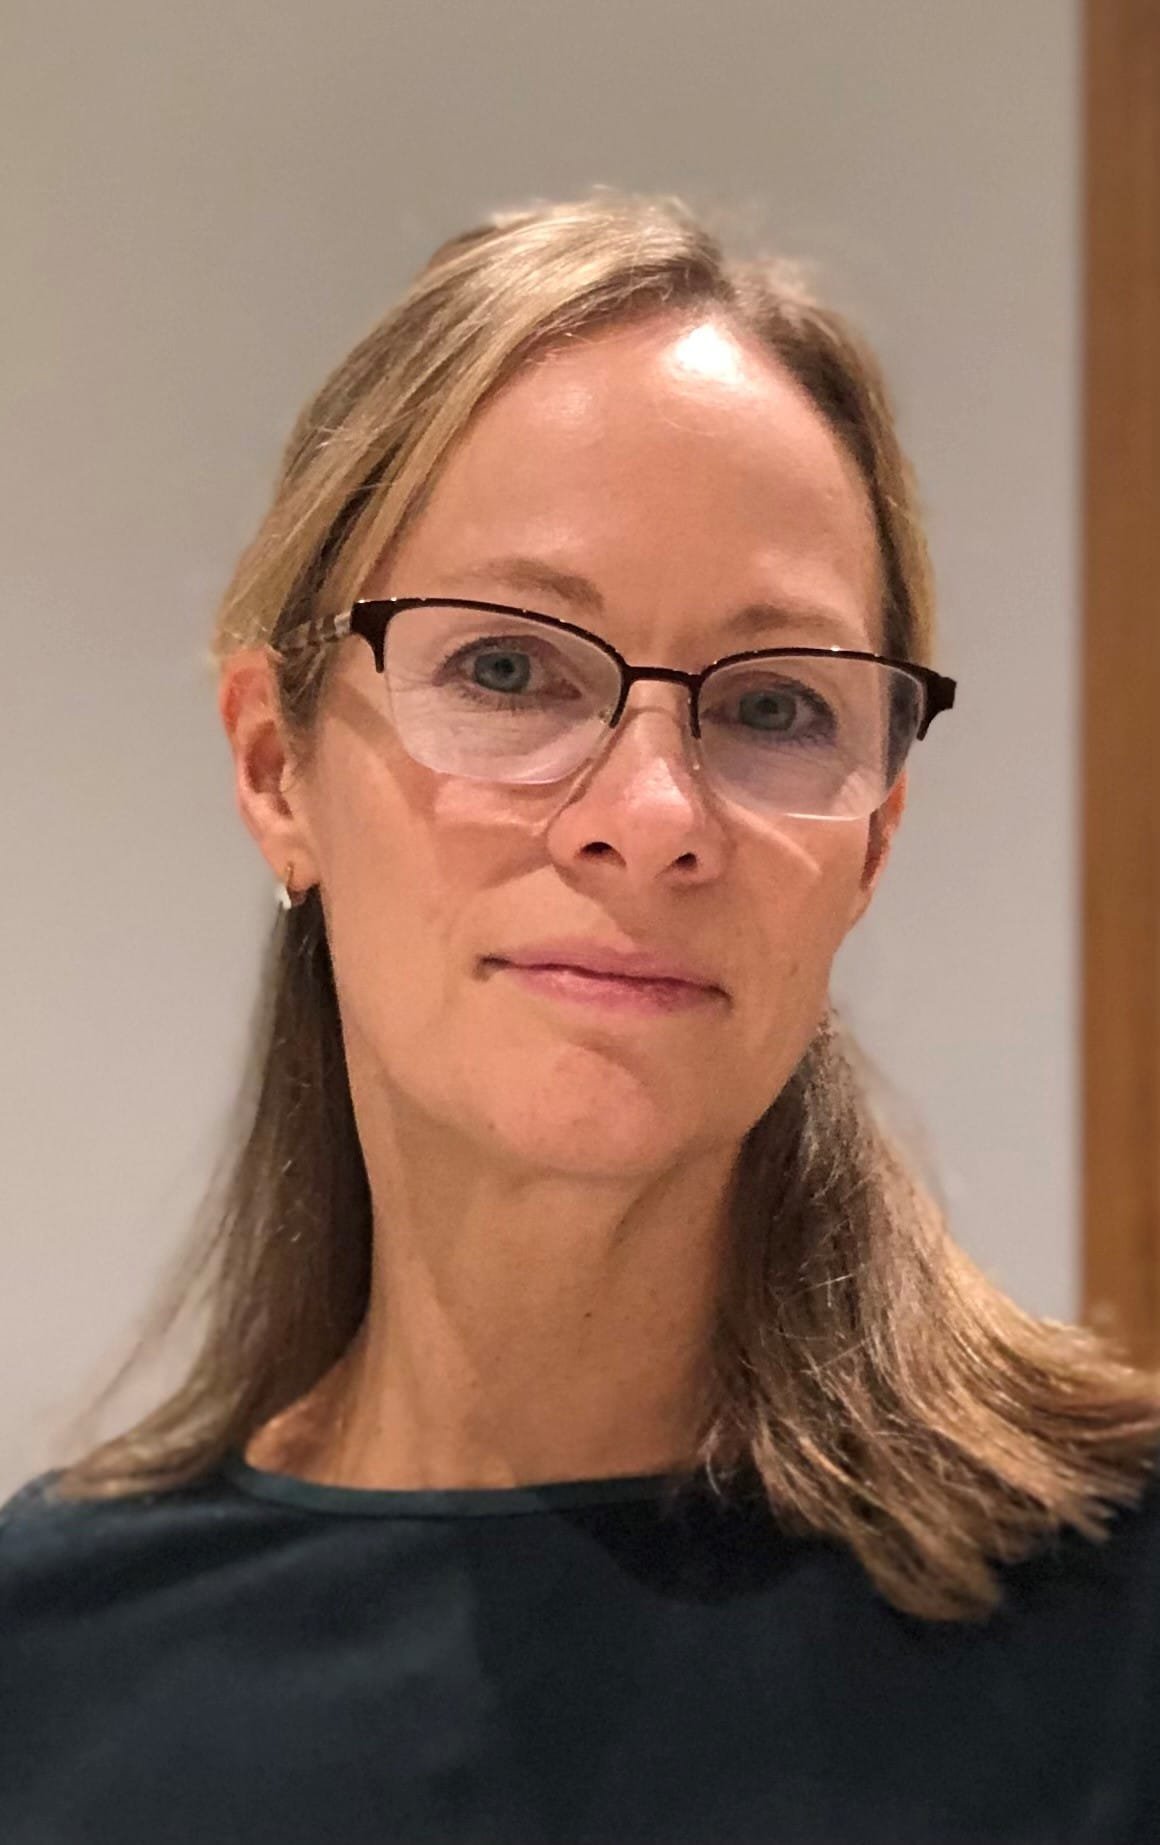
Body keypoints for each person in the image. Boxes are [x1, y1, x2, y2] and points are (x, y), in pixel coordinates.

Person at [3, 188, 1159, 1845]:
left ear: (873, 843)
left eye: (774, 704)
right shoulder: (49, 1677)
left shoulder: (1115, 1625)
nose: (654, 813)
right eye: (507, 669)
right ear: (275, 768)